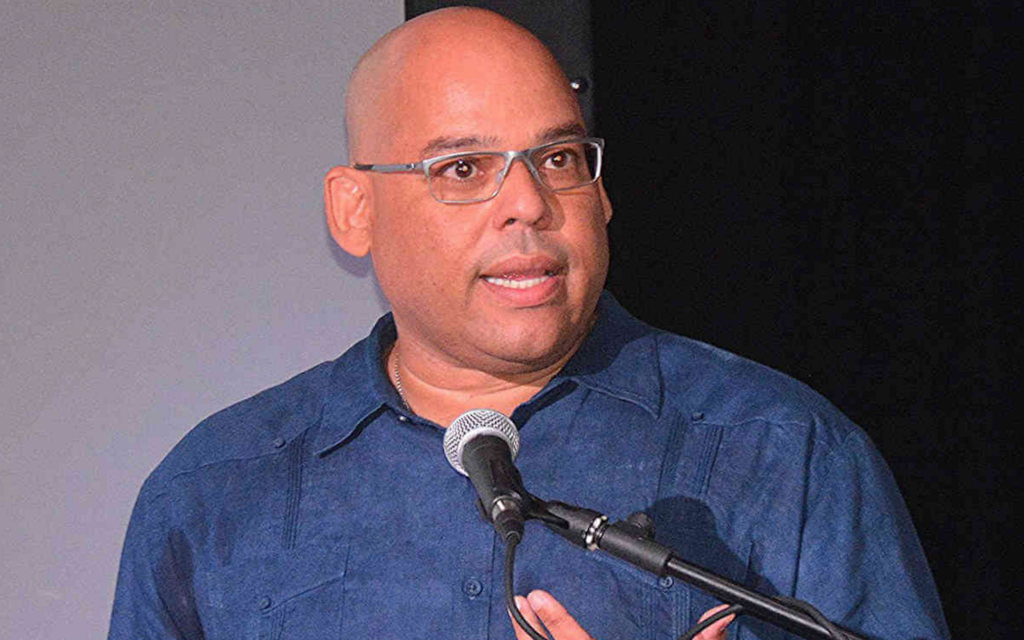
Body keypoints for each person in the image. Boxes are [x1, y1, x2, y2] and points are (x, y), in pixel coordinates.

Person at [107, 7, 949, 640]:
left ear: (602, 194)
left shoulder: (785, 453)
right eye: (462, 167)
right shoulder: (215, 493)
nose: (529, 204)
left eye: (558, 158)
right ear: (354, 210)